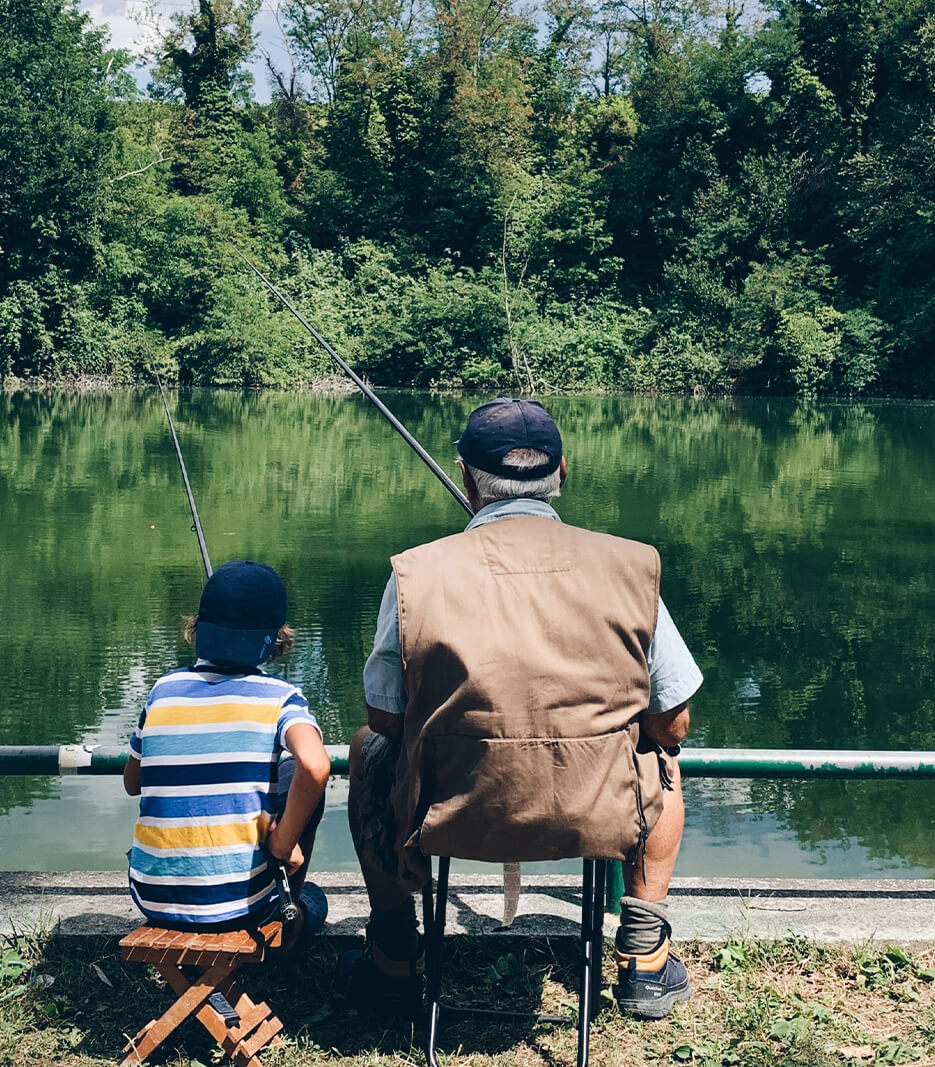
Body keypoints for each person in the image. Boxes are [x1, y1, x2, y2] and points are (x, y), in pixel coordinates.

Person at [345, 399, 703, 1020]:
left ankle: (395, 953)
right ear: (563, 472)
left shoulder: (413, 575)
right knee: (663, 761)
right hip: (598, 811)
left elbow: (386, 720)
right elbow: (671, 722)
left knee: (365, 750)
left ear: (464, 476)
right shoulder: (631, 565)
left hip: (450, 811)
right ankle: (644, 958)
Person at [124, 560, 331, 945]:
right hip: (242, 907)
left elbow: (132, 783)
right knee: (316, 900)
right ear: (275, 640)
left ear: (198, 628)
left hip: (152, 897)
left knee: (284, 778)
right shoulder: (282, 699)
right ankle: (288, 923)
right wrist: (284, 843)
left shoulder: (163, 691)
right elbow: (316, 766)